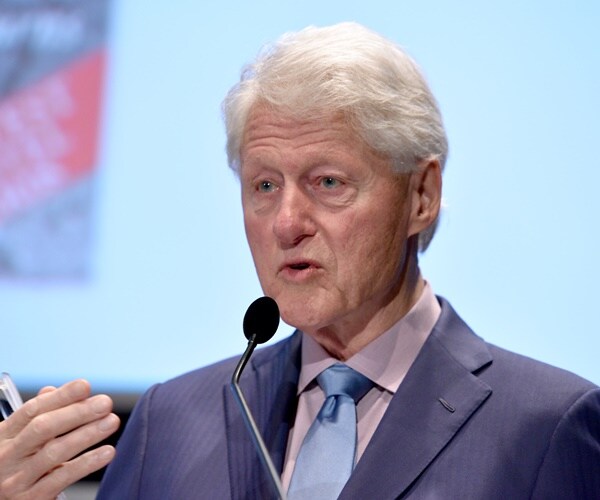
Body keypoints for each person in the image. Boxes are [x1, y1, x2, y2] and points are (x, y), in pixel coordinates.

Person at [2, 22, 599, 499]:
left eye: (328, 181)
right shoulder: (171, 423)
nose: (287, 223)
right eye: (264, 186)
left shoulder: (546, 427)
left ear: (422, 195)